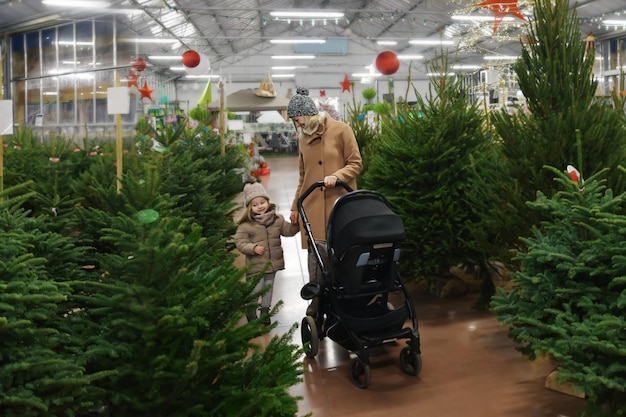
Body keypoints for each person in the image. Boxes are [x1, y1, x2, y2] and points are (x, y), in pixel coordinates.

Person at [287, 87, 363, 315]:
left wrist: (336, 176)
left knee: (341, 254)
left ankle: (347, 301)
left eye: (298, 120)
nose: (297, 125)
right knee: (316, 259)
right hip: (311, 206)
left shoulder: (342, 131)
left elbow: (356, 164)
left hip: (339, 205)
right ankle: (318, 302)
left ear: (308, 114)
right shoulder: (303, 139)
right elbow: (303, 177)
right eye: (293, 122)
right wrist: (294, 208)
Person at [233, 182, 300, 324]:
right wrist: (253, 248)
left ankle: (265, 313)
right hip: (256, 266)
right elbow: (240, 242)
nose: (260, 206)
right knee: (255, 290)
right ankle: (251, 313)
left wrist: (296, 225)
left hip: (272, 263)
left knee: (268, 289)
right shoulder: (246, 225)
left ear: (268, 202)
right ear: (249, 208)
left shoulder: (277, 220)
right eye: (255, 205)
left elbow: (287, 232)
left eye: (262, 202)